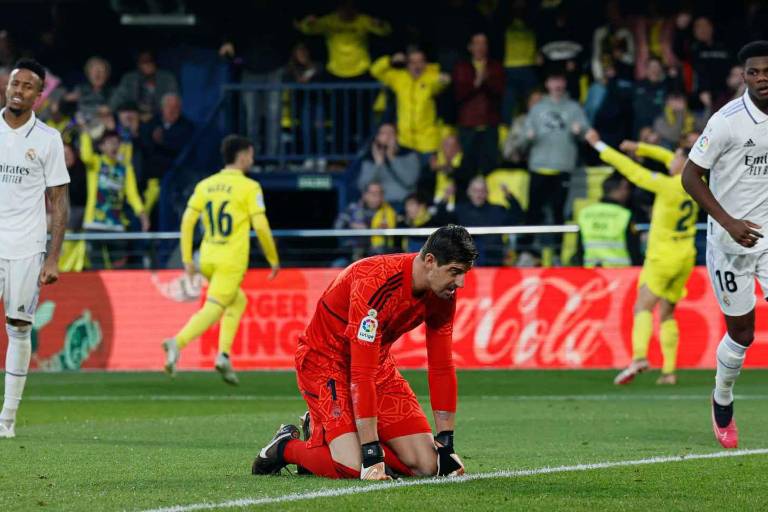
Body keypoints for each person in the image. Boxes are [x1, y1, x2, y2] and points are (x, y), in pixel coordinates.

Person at [251, 225, 477, 479]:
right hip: (326, 363)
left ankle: (331, 436)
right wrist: (371, 453)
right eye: (455, 272)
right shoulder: (376, 282)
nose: (461, 283)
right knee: (353, 467)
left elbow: (441, 366)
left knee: (428, 466)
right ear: (429, 261)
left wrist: (446, 444)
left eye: (464, 273)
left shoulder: (443, 293)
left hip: (376, 364)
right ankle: (285, 447)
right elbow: (360, 374)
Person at [681, 40, 768, 450]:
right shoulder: (727, 121)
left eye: (767, 71)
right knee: (742, 334)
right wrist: (729, 222)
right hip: (728, 242)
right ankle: (722, 398)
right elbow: (690, 176)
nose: (762, 78)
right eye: (754, 72)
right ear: (743, 76)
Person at [162, 135, 279, 386]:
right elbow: (260, 225)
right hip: (230, 260)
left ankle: (223, 356)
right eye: (251, 154)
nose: (253, 158)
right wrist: (272, 258)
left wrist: (187, 259)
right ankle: (177, 342)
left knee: (238, 301)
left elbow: (187, 221)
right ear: (244, 155)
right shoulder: (249, 187)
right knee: (214, 306)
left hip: (207, 257)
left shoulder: (206, 185)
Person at [585, 130, 698, 385]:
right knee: (667, 313)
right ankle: (669, 372)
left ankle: (639, 357)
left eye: (676, 158)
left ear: (682, 163)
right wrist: (641, 147)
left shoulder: (667, 185)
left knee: (642, 307)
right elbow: (669, 156)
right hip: (685, 256)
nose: (670, 160)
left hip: (663, 257)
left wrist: (599, 145)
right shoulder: (698, 181)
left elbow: (629, 170)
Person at [0, 59, 70, 439]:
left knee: (19, 328)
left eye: (28, 86)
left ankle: (7, 419)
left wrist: (54, 255)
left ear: (38, 96)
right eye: (15, 83)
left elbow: (59, 199)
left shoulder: (48, 139)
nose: (18, 90)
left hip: (27, 247)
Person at [370, 48, 451, 157]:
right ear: (407, 64)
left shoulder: (431, 78)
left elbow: (445, 81)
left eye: (420, 61)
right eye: (413, 62)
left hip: (427, 143)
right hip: (405, 142)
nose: (417, 66)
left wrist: (442, 77)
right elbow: (375, 71)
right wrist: (390, 60)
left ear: (425, 63)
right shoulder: (398, 78)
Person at [452, 32, 505, 176]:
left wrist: (485, 81)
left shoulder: (495, 67)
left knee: (490, 165)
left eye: (484, 43)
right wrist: (476, 83)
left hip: (489, 123)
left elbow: (499, 91)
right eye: (477, 43)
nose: (481, 47)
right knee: (467, 166)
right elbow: (458, 94)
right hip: (468, 124)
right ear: (470, 47)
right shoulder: (461, 67)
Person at [576, 172, 639, 268]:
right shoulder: (624, 215)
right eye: (627, 189)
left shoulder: (585, 213)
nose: (628, 193)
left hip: (592, 273)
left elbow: (580, 249)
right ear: (623, 187)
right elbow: (633, 248)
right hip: (622, 275)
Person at [357, 123, 421, 211]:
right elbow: (363, 185)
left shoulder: (408, 154)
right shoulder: (369, 157)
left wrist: (392, 158)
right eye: (383, 133)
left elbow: (410, 181)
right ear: (377, 137)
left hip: (404, 204)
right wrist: (378, 164)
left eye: (391, 133)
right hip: (378, 206)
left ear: (397, 136)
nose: (388, 136)